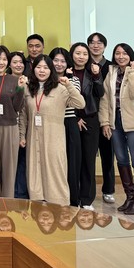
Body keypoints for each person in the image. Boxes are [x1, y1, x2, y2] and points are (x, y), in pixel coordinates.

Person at [19, 54, 85, 206]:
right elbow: (23, 114)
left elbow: (80, 104)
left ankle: (60, 205)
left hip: (54, 140)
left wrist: (69, 85)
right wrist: (22, 135)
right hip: (33, 138)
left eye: (46, 67)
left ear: (51, 70)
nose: (42, 71)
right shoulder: (28, 88)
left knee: (55, 171)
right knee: (35, 171)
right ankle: (37, 205)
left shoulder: (60, 88)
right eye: (38, 67)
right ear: (33, 69)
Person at [99, 43, 134, 215]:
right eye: (117, 53)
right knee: (121, 159)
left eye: (124, 53)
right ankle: (130, 197)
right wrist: (105, 122)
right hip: (116, 122)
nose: (121, 56)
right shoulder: (111, 72)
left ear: (130, 56)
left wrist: (133, 72)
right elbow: (105, 99)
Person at [0, 45, 24, 197]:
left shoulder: (14, 80)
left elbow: (18, 107)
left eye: (4, 59)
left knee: (9, 167)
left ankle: (8, 200)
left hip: (10, 127)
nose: (1, 62)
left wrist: (20, 89)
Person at [69, 42, 104, 210]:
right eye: (78, 53)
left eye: (84, 53)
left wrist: (97, 77)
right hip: (71, 119)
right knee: (73, 160)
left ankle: (87, 199)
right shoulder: (66, 71)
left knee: (89, 160)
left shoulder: (93, 72)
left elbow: (100, 93)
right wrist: (76, 117)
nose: (81, 56)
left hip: (90, 119)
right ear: (72, 54)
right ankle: (73, 197)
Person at [49, 47, 81, 207]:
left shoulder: (73, 80)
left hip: (69, 123)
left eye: (62, 61)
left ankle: (73, 201)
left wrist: (67, 81)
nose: (59, 64)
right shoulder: (45, 80)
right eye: (55, 60)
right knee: (54, 163)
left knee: (71, 163)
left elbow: (74, 101)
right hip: (51, 123)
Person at [87, 32, 116, 204]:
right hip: (89, 115)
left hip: (107, 116)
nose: (95, 45)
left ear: (104, 46)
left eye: (99, 43)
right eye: (92, 42)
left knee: (108, 154)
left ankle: (108, 190)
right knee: (88, 156)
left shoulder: (112, 67)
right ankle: (88, 191)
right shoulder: (84, 65)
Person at [9, 50, 29, 199]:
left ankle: (20, 194)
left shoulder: (30, 83)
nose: (18, 65)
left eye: (21, 62)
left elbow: (24, 110)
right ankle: (10, 193)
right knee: (10, 163)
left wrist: (22, 134)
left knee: (22, 162)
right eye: (15, 62)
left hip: (26, 127)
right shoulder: (6, 81)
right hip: (9, 127)